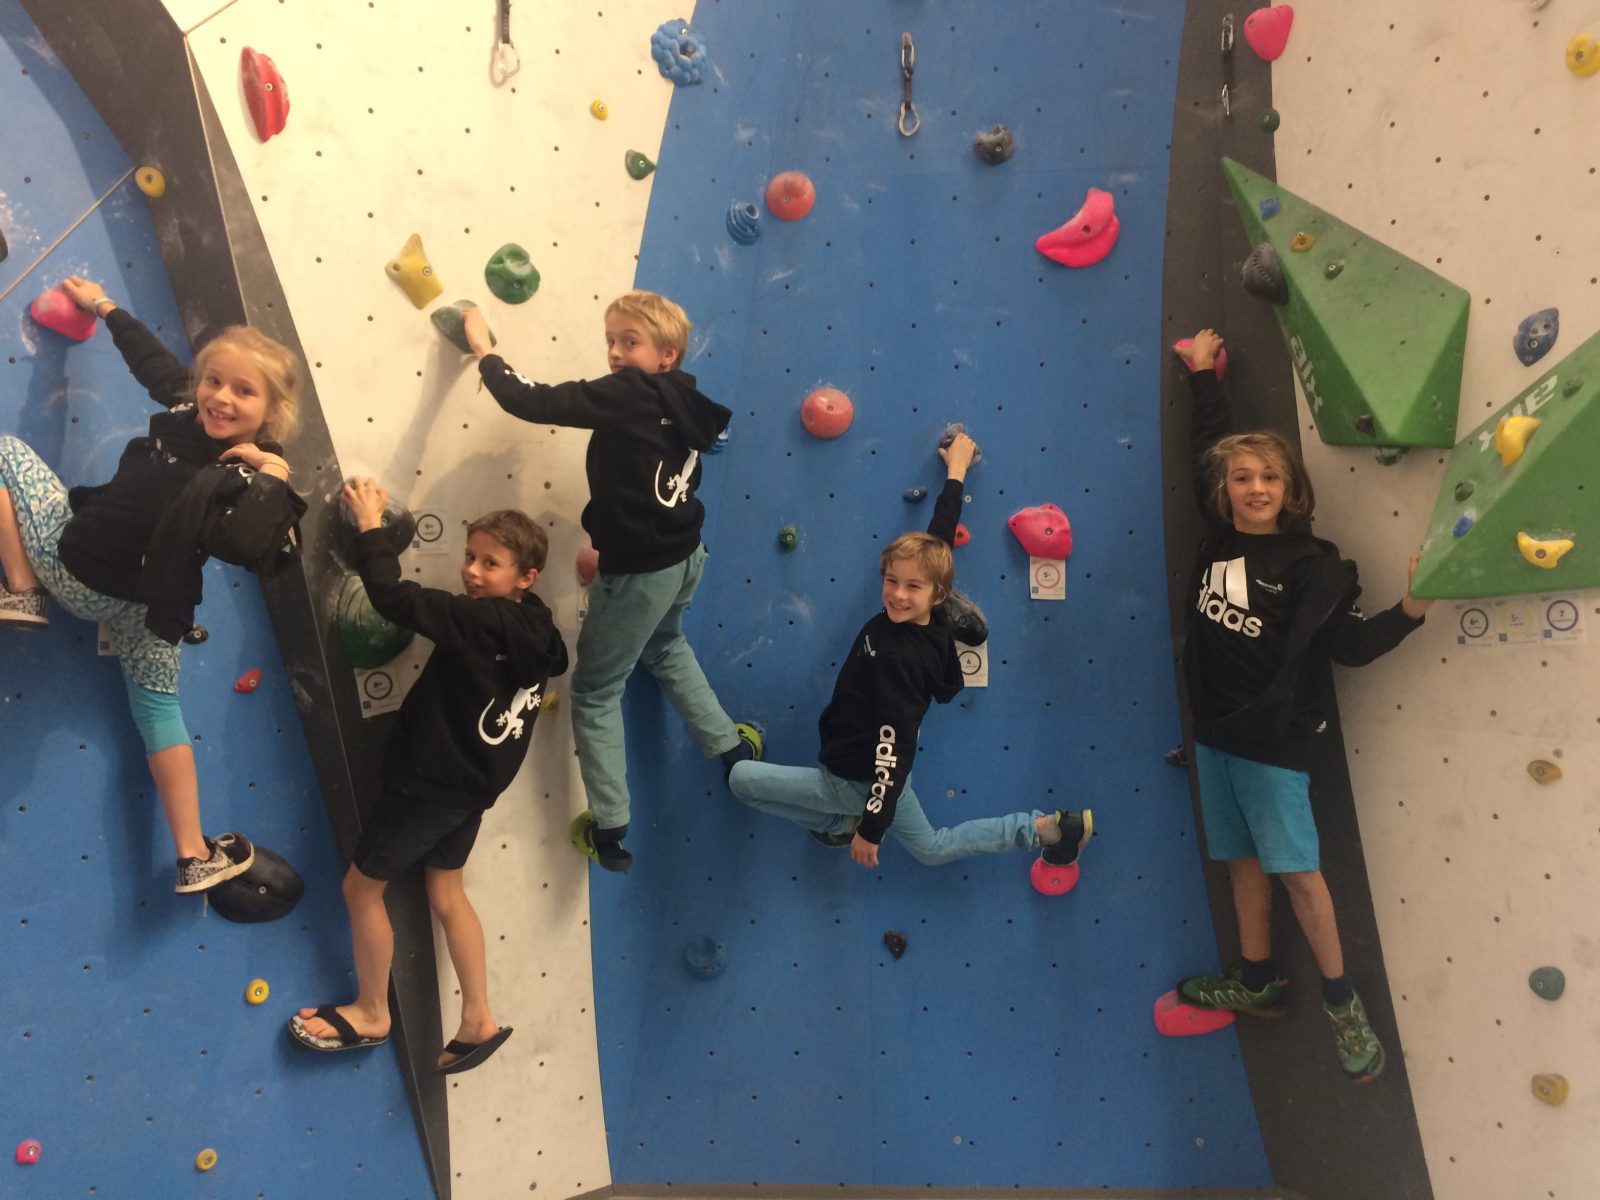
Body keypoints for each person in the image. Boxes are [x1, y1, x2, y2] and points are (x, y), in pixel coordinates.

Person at [1173, 328, 1432, 1083]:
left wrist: (1412, 609)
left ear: (1291, 492)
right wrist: (1200, 377)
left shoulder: (1313, 566)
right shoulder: (1219, 538)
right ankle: (1257, 979)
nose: (1255, 488)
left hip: (1272, 744)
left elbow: (1346, 647)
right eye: (1244, 478)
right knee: (1242, 864)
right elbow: (1210, 445)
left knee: (1298, 875)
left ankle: (1341, 1001)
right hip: (1215, 736)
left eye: (1270, 480)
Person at [0, 275, 305, 892]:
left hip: (78, 570)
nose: (220, 398)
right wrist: (105, 306)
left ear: (271, 413)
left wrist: (271, 476)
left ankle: (22, 587)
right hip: (146, 606)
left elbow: (251, 545)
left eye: (243, 392)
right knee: (160, 708)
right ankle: (193, 853)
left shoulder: (242, 478)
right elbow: (152, 359)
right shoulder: (186, 407)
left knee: (4, 451)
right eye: (213, 380)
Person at [461, 291, 759, 873]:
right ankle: (731, 748)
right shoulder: (686, 397)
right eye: (612, 340)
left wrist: (484, 351)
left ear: (666, 354)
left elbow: (531, 400)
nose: (617, 353)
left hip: (641, 573)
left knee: (596, 694)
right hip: (684, 557)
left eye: (631, 342)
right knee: (667, 647)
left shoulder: (629, 394)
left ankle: (613, 823)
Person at [290, 483, 568, 1073]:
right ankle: (478, 1018)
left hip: (429, 784)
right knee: (446, 892)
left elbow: (393, 597)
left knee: (360, 890)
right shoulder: (539, 627)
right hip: (472, 788)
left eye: (489, 563)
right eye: (469, 556)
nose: (470, 571)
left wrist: (369, 525)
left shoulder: (478, 622)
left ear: (527, 576)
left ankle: (371, 1011)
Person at [726, 431, 1093, 871]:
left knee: (742, 779)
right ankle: (1044, 828)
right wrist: (956, 470)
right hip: (875, 772)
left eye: (912, 587)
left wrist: (870, 829)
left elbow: (892, 750)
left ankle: (840, 825)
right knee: (932, 846)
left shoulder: (900, 659)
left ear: (938, 594)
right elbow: (940, 536)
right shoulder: (931, 614)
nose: (897, 595)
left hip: (860, 779)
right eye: (892, 582)